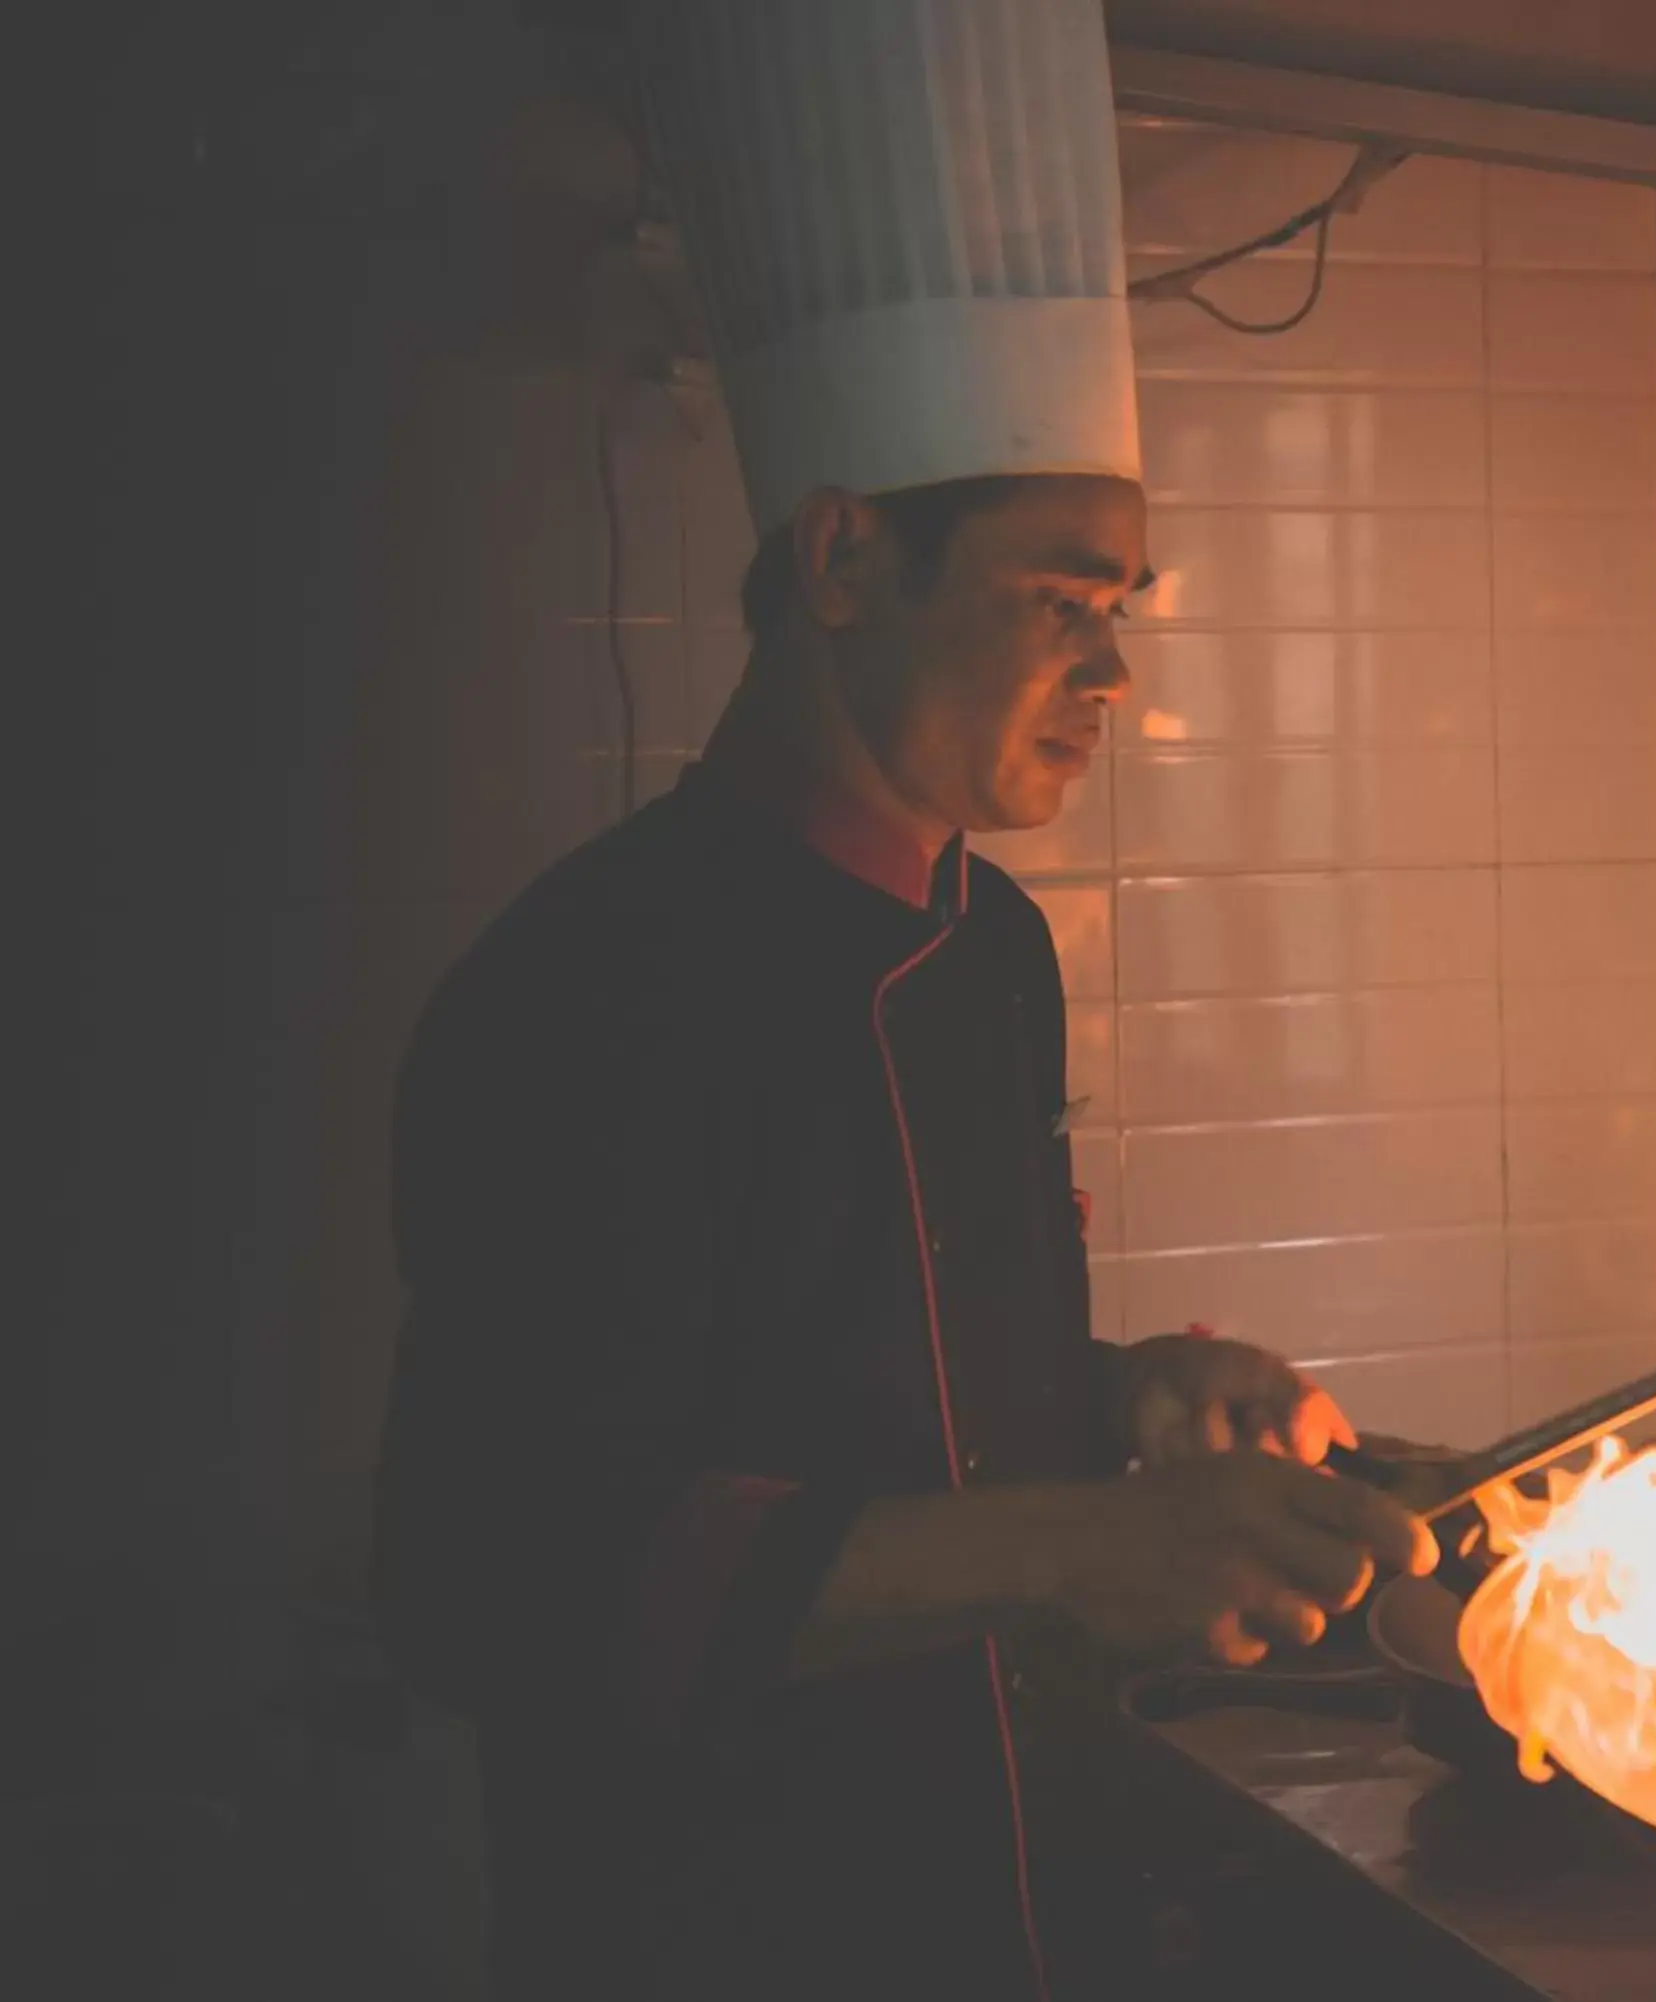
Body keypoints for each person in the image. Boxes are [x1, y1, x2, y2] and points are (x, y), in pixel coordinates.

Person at [372, 7, 1431, 1995]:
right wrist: (1075, 1543)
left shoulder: (996, 946)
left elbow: (898, 1386)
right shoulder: (588, 987)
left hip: (1018, 1889)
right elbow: (480, 1571)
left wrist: (1116, 1403)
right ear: (845, 562)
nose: (1112, 679)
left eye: (1123, 611)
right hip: (718, 1928)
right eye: (1059, 600)